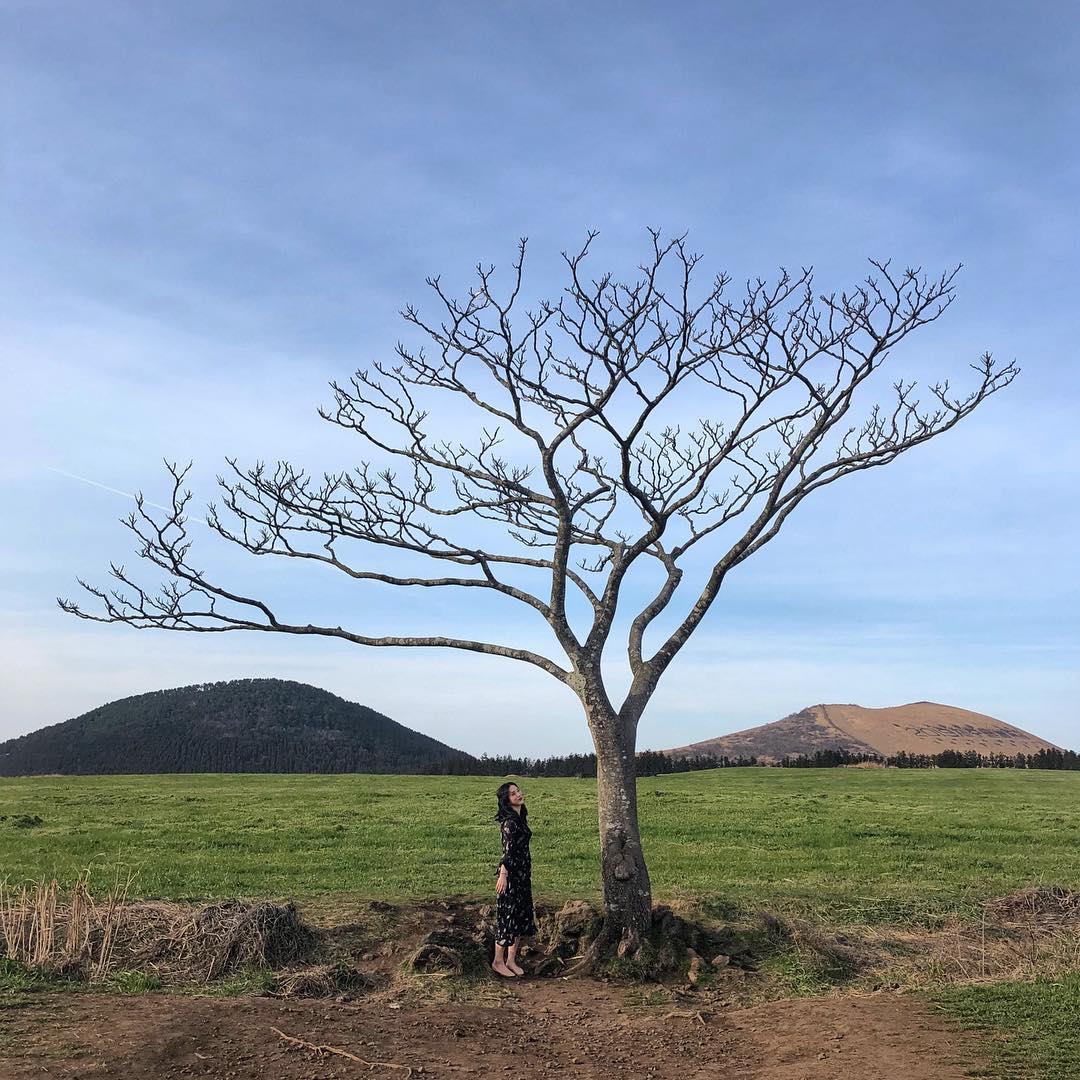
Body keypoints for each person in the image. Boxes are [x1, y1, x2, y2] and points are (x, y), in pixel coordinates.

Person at [492, 781, 536, 977]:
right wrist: (503, 875)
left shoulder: (520, 819)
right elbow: (508, 852)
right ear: (506, 800)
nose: (518, 794)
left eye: (518, 791)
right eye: (512, 793)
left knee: (519, 916)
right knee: (507, 917)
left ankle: (511, 960)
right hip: (511, 876)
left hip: (522, 876)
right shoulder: (509, 823)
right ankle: (498, 961)